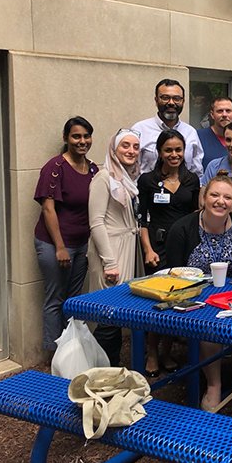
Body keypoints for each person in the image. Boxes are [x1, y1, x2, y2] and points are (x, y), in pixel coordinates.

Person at [166, 172, 232, 410]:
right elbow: (172, 273)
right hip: (194, 297)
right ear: (204, 198)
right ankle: (214, 384)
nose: (220, 201)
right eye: (214, 195)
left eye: (227, 197)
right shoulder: (182, 228)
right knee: (207, 325)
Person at [137, 129, 200, 376]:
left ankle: (167, 351)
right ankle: (152, 352)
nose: (174, 154)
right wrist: (148, 249)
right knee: (157, 300)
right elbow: (142, 219)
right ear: (160, 152)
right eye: (168, 150)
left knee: (179, 298)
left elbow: (195, 214)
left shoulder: (191, 179)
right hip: (158, 246)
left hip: (183, 246)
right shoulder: (147, 181)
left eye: (178, 150)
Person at [33, 117, 99, 354]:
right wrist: (60, 247)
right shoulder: (55, 168)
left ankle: (71, 352)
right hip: (55, 244)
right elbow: (48, 209)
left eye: (86, 136)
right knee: (56, 299)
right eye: (76, 136)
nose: (82, 141)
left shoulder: (93, 169)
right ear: (66, 138)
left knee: (73, 299)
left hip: (82, 244)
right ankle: (53, 354)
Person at [88, 129, 144, 366]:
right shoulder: (104, 178)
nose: (131, 151)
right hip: (110, 250)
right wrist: (109, 262)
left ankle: (113, 366)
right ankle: (102, 369)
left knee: (117, 311)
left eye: (135, 147)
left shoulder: (127, 178)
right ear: (114, 149)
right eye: (125, 146)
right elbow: (96, 222)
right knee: (106, 313)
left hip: (127, 247)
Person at [132, 79, 204, 175]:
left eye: (176, 98)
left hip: (184, 184)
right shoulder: (139, 130)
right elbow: (130, 169)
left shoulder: (190, 132)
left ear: (183, 101)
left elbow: (197, 172)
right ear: (156, 100)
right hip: (146, 184)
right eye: (165, 98)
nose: (171, 103)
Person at [197, 96, 232, 171]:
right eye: (220, 111)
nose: (224, 115)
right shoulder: (198, 137)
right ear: (212, 114)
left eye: (228, 111)